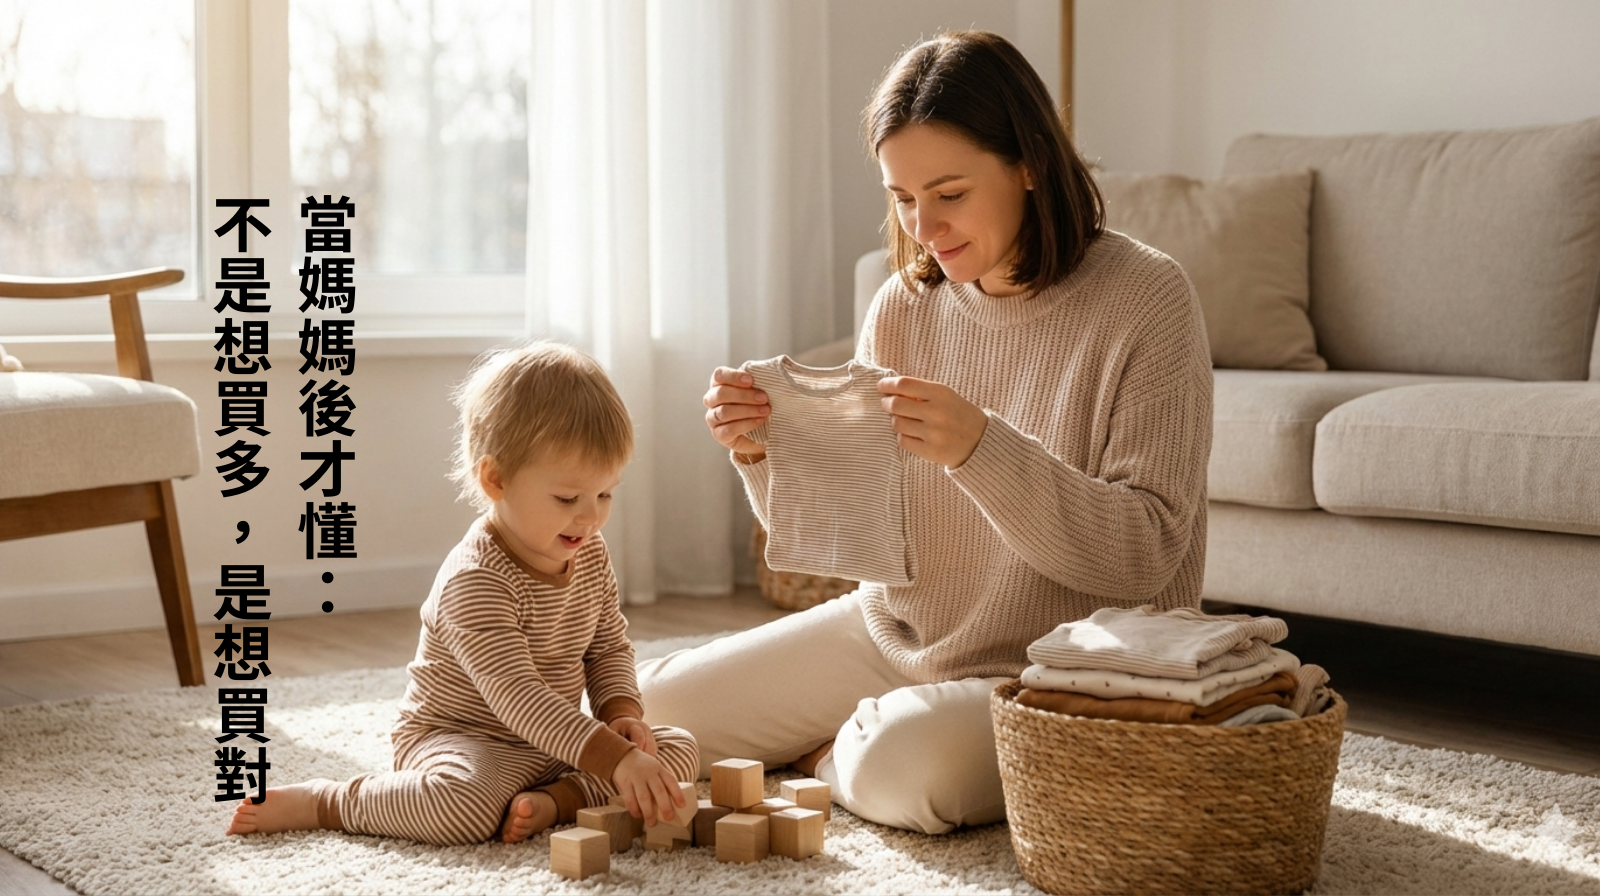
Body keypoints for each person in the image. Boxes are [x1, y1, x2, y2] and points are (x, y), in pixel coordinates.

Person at [638, 30, 1212, 834]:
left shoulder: (1148, 298)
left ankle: (836, 751)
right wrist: (767, 456)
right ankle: (856, 734)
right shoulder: (904, 306)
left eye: (948, 193)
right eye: (903, 198)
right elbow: (858, 542)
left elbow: (1146, 553)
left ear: (1029, 164)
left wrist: (982, 449)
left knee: (909, 770)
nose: (925, 227)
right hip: (900, 636)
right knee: (650, 710)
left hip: (1066, 670)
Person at [227, 342, 697, 845]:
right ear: (495, 479)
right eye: (567, 498)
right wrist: (613, 758)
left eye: (605, 493)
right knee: (464, 811)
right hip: (462, 744)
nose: (591, 517)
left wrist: (620, 717)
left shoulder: (590, 552)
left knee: (679, 750)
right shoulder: (475, 580)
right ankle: (328, 802)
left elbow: (606, 647)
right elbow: (519, 699)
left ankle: (555, 801)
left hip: (552, 743)